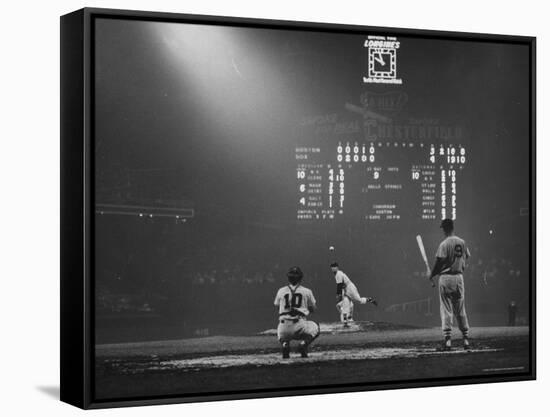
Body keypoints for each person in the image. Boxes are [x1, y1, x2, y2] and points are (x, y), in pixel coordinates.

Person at [429, 219, 471, 351]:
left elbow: (439, 262)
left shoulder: (444, 243)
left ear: (445, 228)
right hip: (459, 278)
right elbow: (467, 256)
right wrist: (457, 263)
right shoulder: (462, 242)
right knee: (460, 309)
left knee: (446, 309)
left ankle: (447, 341)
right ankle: (465, 339)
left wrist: (431, 274)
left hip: (446, 278)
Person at [273, 266, 320, 358]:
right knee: (316, 327)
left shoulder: (281, 291)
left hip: (283, 326)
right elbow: (314, 309)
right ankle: (303, 344)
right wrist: (304, 309)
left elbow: (277, 307)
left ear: (288, 277)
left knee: (281, 331)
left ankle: (285, 344)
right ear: (300, 278)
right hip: (299, 324)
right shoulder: (307, 291)